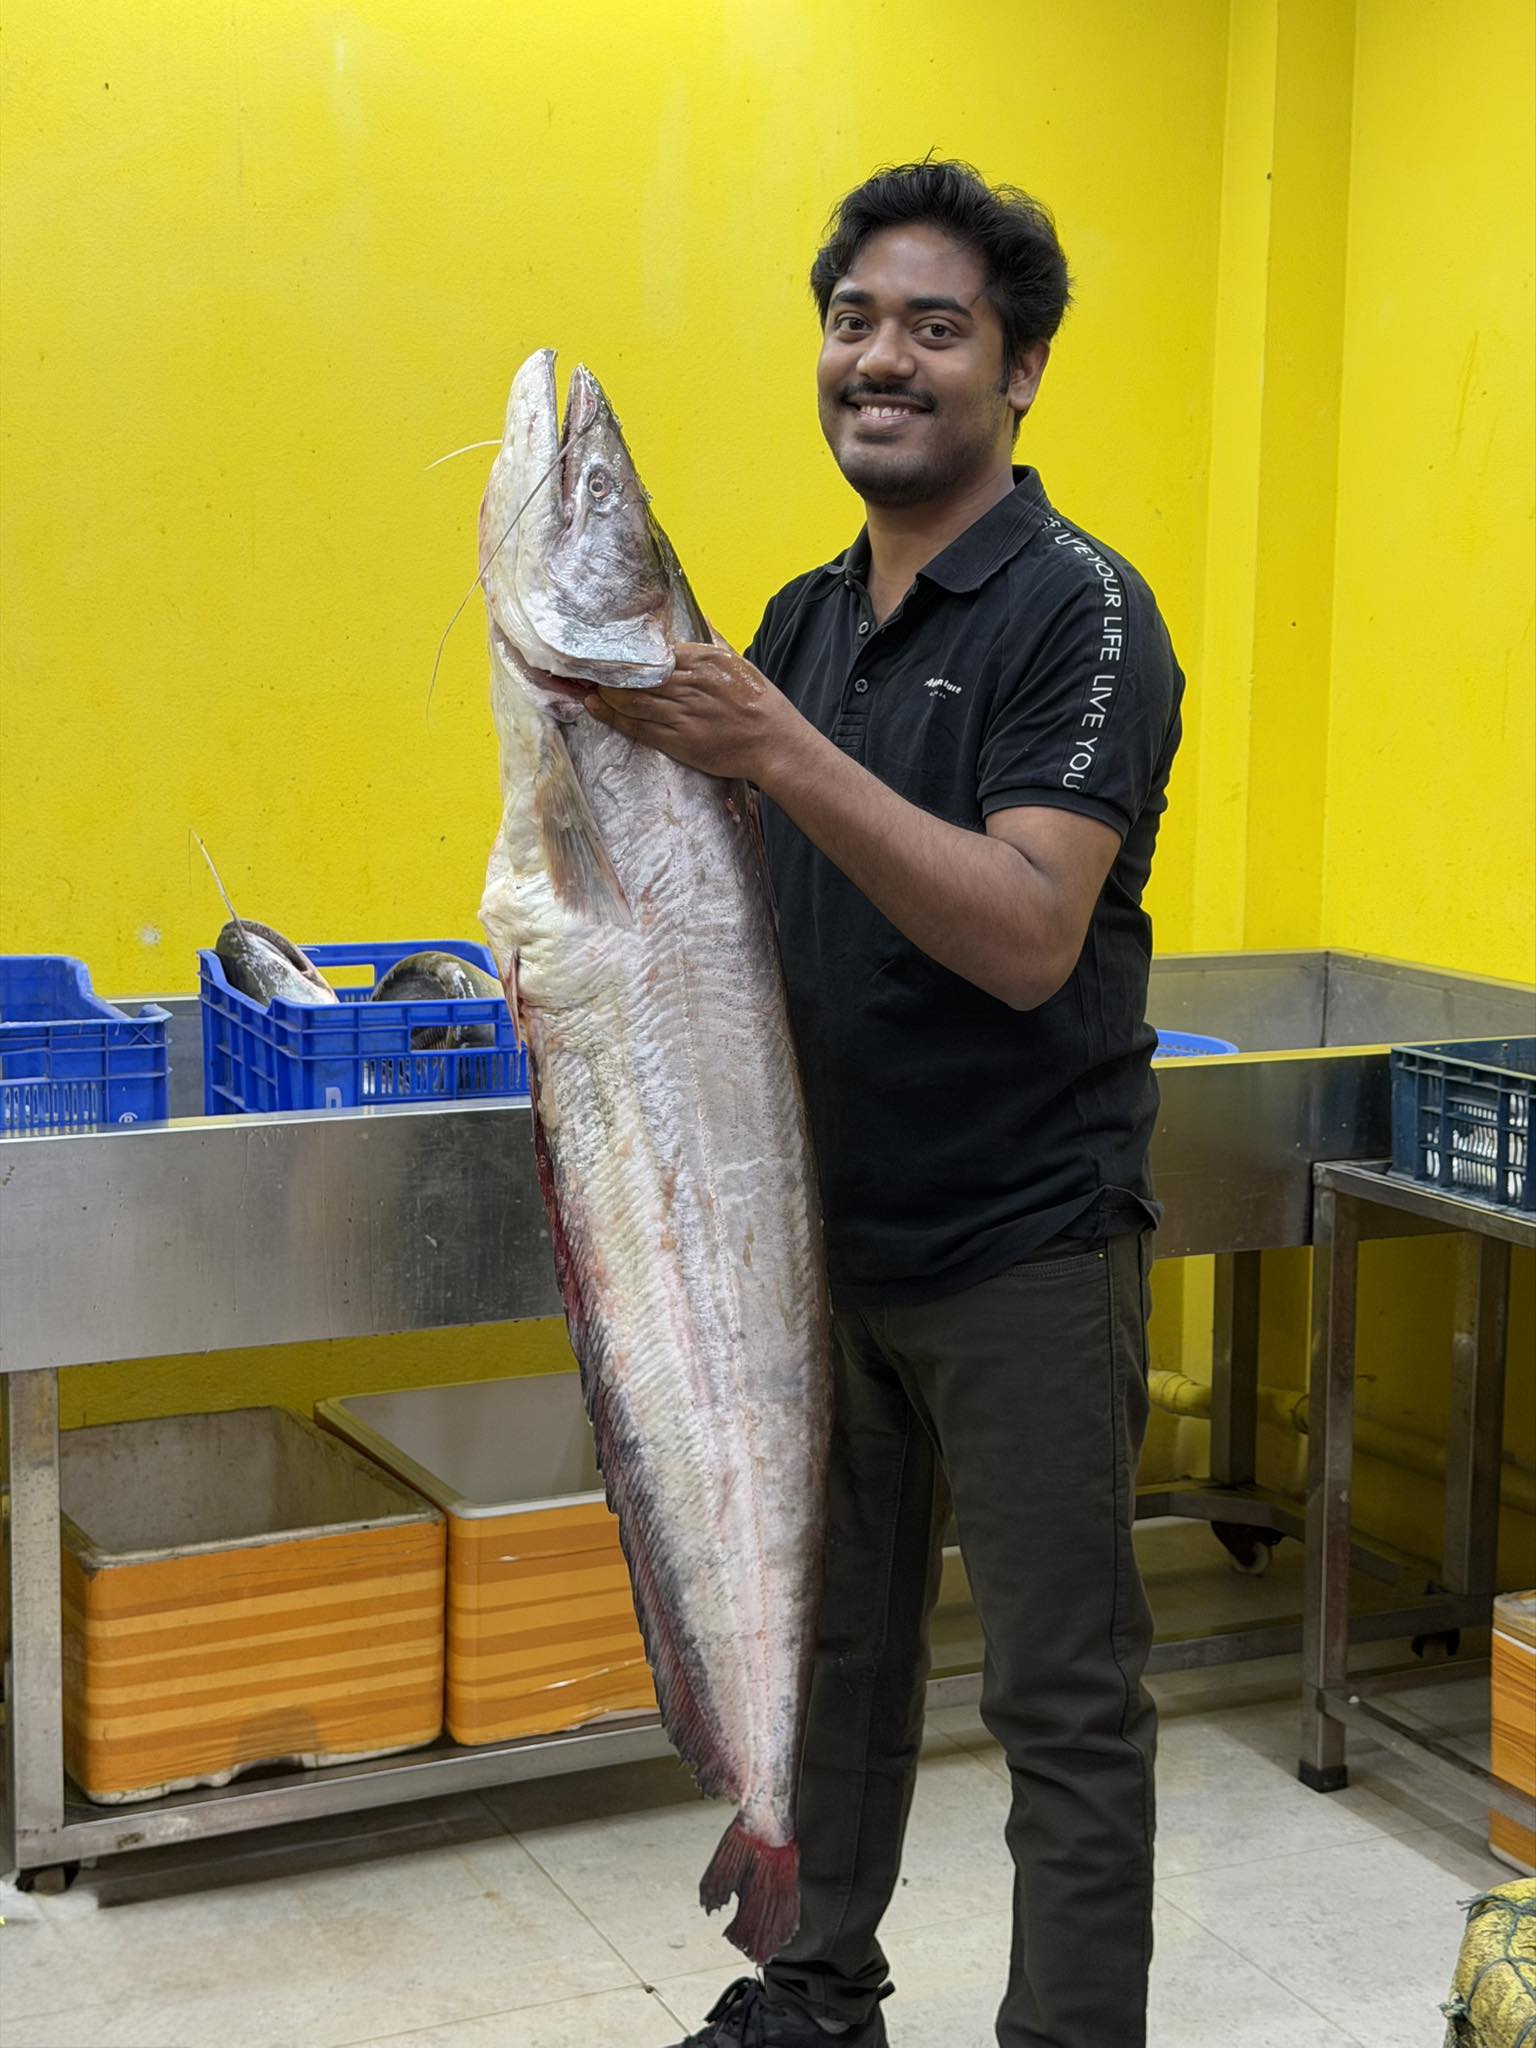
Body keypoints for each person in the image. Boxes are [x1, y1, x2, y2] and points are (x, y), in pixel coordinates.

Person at [585, 158, 1183, 2048]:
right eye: (854, 321)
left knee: (1060, 1693)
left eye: (937, 327)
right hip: (816, 1249)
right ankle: (813, 1996)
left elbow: (1025, 931)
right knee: (831, 1660)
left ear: (1020, 373)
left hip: (1023, 1247)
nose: (883, 360)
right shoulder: (805, 615)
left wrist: (778, 746)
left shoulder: (1083, 612)